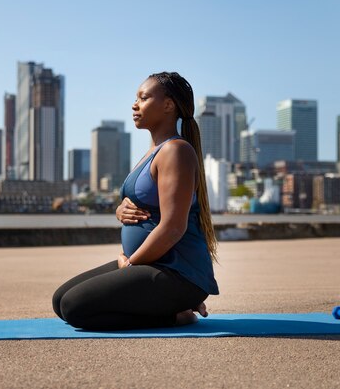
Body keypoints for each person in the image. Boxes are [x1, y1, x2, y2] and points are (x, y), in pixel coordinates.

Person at [52, 72, 219, 330]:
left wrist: (130, 264)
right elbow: (142, 201)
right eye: (136, 98)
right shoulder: (152, 153)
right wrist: (121, 210)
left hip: (177, 273)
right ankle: (169, 307)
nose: (134, 104)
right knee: (60, 300)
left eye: (143, 97)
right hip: (149, 265)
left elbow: (173, 227)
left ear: (168, 105)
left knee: (75, 307)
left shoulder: (176, 151)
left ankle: (177, 315)